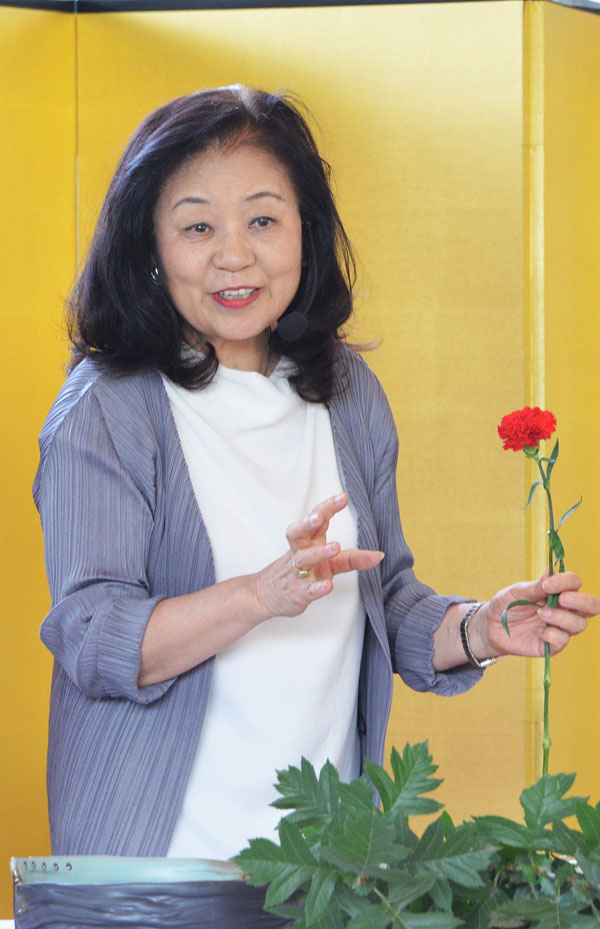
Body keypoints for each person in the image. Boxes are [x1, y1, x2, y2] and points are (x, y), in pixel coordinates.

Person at [34, 86, 598, 869]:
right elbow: (94, 638)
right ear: (149, 247)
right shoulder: (108, 408)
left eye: (264, 219)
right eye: (198, 226)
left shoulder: (345, 389)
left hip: (324, 874)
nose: (236, 255)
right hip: (162, 871)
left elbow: (382, 597)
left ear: (307, 229)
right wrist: (261, 594)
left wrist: (477, 629)